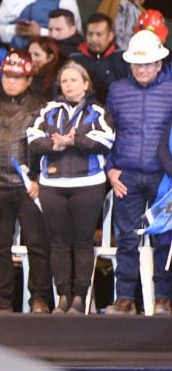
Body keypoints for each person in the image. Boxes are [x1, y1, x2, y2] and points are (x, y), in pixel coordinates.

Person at [27, 61, 114, 314]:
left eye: (74, 80)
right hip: (52, 184)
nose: (68, 85)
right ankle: (63, 295)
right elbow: (33, 137)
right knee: (59, 243)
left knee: (83, 242)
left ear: (86, 84)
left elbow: (106, 139)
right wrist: (55, 145)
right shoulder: (49, 109)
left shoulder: (98, 110)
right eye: (64, 81)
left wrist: (74, 140)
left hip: (88, 183)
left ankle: (79, 297)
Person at [0, 50, 51, 313]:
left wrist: (39, 178)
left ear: (29, 78)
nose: (11, 81)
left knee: (38, 245)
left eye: (17, 77)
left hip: (30, 187)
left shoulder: (41, 105)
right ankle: (0, 300)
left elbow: (47, 148)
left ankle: (40, 299)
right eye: (7, 75)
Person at [104, 31, 172, 315]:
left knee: (164, 239)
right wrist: (109, 170)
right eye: (137, 64)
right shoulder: (117, 90)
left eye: (148, 64)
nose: (142, 69)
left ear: (159, 64)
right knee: (126, 239)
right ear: (130, 65)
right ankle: (125, 300)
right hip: (126, 176)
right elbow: (105, 133)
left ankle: (163, 299)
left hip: (164, 178)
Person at [70, 13, 129, 104]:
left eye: (99, 34)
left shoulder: (123, 59)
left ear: (110, 36)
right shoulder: (75, 58)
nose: (93, 39)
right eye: (90, 34)